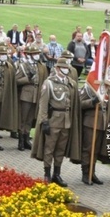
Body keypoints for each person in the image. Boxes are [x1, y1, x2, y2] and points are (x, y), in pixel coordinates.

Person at [31, 58, 81, 186]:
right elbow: (43, 104)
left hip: (66, 120)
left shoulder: (71, 83)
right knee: (49, 148)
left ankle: (57, 174)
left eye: (67, 68)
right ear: (58, 68)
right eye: (64, 68)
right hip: (54, 119)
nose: (66, 70)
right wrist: (44, 121)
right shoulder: (49, 83)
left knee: (60, 148)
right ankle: (47, 173)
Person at [79, 80, 108, 185]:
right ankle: (86, 174)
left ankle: (92, 172)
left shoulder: (106, 88)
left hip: (102, 122)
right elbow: (80, 103)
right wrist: (93, 101)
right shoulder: (89, 87)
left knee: (95, 150)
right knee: (88, 149)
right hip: (91, 122)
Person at [15, 45, 41, 151]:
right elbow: (16, 80)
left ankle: (26, 138)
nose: (37, 56)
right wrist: (27, 78)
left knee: (30, 119)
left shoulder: (38, 66)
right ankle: (20, 140)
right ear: (29, 55)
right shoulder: (23, 66)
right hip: (26, 94)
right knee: (23, 118)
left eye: (37, 54)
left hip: (35, 94)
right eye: (35, 54)